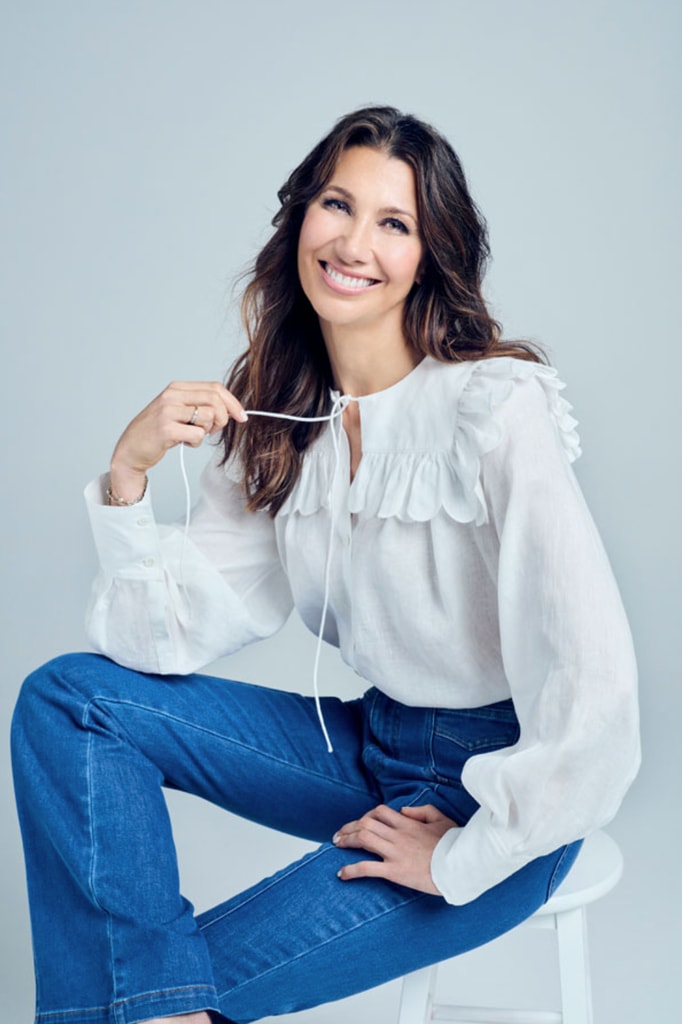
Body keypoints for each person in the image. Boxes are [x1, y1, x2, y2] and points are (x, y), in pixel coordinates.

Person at [11, 106, 640, 1024]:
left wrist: (465, 853)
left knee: (135, 993)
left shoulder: (491, 408)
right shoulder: (282, 419)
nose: (354, 242)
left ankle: (153, 1005)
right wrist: (129, 472)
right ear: (300, 216)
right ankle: (159, 1005)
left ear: (431, 255)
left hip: (494, 796)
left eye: (395, 223)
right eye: (337, 205)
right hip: (367, 744)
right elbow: (161, 639)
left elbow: (596, 689)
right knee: (69, 702)